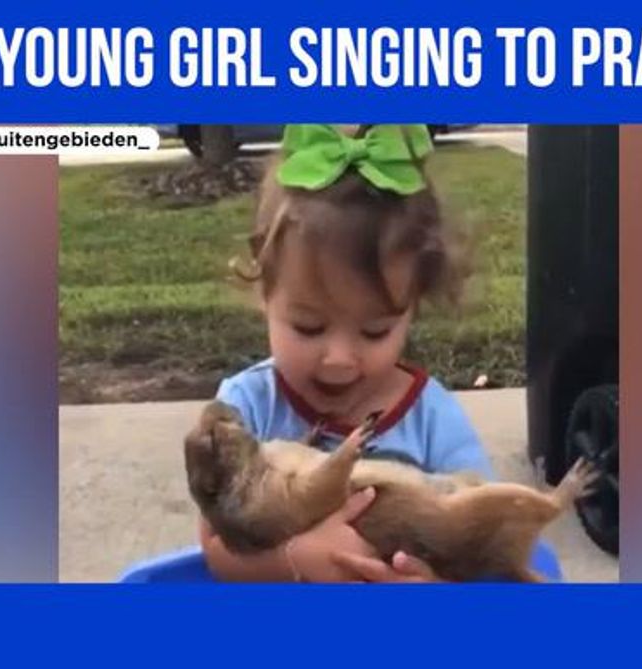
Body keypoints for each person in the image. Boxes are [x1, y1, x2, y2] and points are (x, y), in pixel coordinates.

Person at [199, 124, 492, 583]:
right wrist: (296, 560)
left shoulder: (431, 419)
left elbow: (483, 538)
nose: (339, 358)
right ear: (264, 290)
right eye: (308, 326)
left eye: (375, 331)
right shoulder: (246, 409)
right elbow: (215, 549)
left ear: (413, 305)